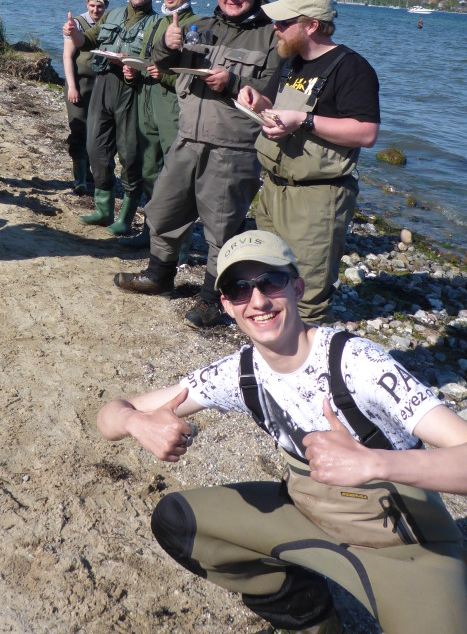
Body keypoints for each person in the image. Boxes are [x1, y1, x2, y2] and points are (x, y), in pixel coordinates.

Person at [98, 230, 467, 634]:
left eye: (270, 281)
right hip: (311, 519)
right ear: (226, 304)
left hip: (406, 546)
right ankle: (313, 616)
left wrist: (374, 462)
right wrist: (137, 423)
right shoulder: (241, 374)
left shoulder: (358, 364)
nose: (257, 301)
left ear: (297, 287)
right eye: (239, 290)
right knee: (178, 521)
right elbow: (111, 414)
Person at [115, 0, 281, 329]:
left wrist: (234, 82)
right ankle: (159, 275)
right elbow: (161, 63)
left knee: (221, 229)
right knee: (163, 210)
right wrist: (166, 43)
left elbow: (273, 92)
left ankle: (213, 299)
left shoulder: (272, 36)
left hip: (233, 147)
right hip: (187, 137)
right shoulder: (197, 27)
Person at [237, 0, 380, 323]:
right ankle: (275, 358)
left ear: (311, 25)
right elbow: (277, 107)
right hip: (273, 189)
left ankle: (307, 366)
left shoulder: (352, 69)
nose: (276, 28)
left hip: (317, 199)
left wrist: (304, 119)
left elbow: (367, 132)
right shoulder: (292, 63)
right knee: (271, 280)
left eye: (284, 22)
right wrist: (259, 102)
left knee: (306, 295)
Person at [62, 0, 157, 235]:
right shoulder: (111, 15)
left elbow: (158, 64)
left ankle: (125, 216)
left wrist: (135, 69)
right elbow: (87, 40)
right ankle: (103, 209)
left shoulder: (156, 23)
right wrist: (73, 32)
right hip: (102, 84)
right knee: (95, 147)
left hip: (131, 90)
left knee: (129, 153)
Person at [120, 0, 198, 250]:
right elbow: (145, 58)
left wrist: (162, 75)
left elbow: (197, 75)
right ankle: (150, 232)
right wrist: (133, 69)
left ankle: (180, 245)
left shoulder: (195, 24)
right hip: (147, 103)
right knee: (150, 170)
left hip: (174, 109)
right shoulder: (156, 22)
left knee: (176, 177)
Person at [62, 0, 109, 195]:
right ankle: (79, 177)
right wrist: (72, 87)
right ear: (86, 4)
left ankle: (90, 171)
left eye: (100, 6)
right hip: (79, 84)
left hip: (101, 86)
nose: (96, 10)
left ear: (106, 6)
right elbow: (66, 57)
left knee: (97, 130)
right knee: (79, 129)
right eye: (92, 5)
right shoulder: (76, 24)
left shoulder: (110, 24)